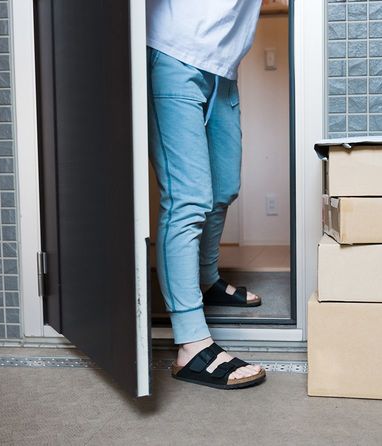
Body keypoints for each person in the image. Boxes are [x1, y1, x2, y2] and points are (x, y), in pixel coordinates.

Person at [146, 0, 266, 389]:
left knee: (224, 187)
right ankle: (191, 344)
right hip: (173, 51)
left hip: (222, 66)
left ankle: (206, 280)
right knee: (188, 199)